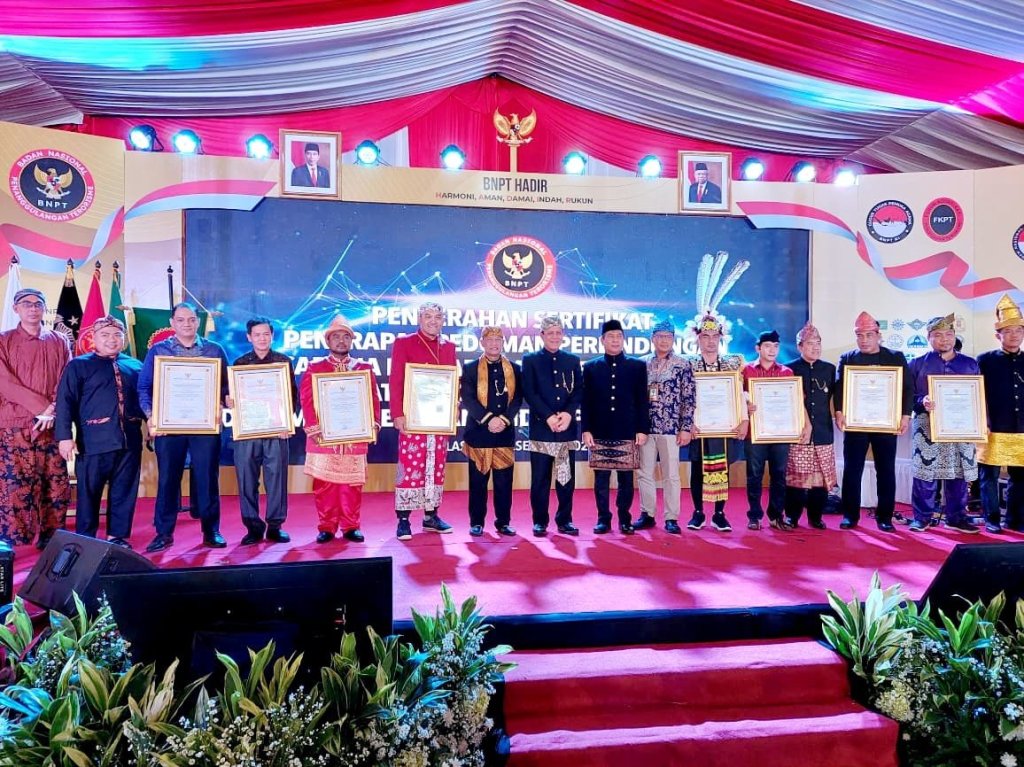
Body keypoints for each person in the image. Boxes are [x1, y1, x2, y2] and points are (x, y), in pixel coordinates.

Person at [138, 302, 230, 553]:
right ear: (172, 323)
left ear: (198, 322)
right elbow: (144, 387)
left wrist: (224, 402)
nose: (186, 324)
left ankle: (211, 531)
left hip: (205, 426)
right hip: (169, 426)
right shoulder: (159, 350)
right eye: (181, 320)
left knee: (207, 478)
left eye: (191, 319)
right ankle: (164, 533)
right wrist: (151, 416)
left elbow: (226, 386)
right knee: (168, 479)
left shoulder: (214, 350)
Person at [55, 316, 143, 547]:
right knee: (89, 493)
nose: (111, 339)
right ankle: (86, 539)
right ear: (94, 338)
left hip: (130, 440)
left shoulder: (135, 366)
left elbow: (147, 398)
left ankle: (117, 537)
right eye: (105, 335)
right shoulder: (78, 365)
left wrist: (155, 423)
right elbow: (65, 402)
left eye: (116, 335)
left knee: (124, 490)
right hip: (94, 441)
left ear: (123, 338)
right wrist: (64, 437)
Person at [0, 287, 71, 547]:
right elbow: (4, 381)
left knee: (54, 481)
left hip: (51, 424)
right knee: (14, 482)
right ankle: (14, 537)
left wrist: (52, 409)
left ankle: (52, 536)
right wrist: (41, 407)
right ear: (15, 309)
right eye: (26, 304)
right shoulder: (3, 340)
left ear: (44, 308)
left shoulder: (59, 340)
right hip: (15, 423)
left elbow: (66, 379)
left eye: (38, 303)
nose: (33, 308)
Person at [300, 315, 381, 543]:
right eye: (336, 336)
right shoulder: (315, 368)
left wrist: (373, 424)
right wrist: (314, 428)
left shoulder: (364, 369)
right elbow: (307, 400)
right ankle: (326, 526)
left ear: (352, 341)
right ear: (328, 341)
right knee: (324, 484)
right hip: (323, 436)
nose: (341, 341)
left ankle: (350, 526)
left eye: (346, 336)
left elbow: (373, 400)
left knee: (352, 485)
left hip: (354, 436)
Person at [833, 311, 912, 532]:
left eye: (869, 335)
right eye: (860, 336)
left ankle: (885, 517)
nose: (864, 340)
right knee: (852, 470)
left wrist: (905, 415)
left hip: (885, 422)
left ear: (878, 335)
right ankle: (850, 515)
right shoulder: (848, 358)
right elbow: (839, 388)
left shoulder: (895, 357)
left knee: (885, 470)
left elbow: (907, 388)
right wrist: (839, 411)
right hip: (856, 422)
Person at [389, 302, 457, 540]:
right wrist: (397, 413)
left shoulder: (449, 346)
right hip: (413, 416)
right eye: (428, 316)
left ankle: (431, 516)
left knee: (436, 466)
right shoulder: (404, 343)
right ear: (419, 319)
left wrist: (453, 409)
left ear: (443, 321)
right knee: (411, 466)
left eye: (438, 317)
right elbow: (396, 379)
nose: (433, 321)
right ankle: (403, 519)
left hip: (438, 418)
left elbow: (451, 382)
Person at [907, 314, 980, 534]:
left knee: (959, 472)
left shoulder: (970, 364)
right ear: (929, 338)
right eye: (938, 335)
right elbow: (907, 398)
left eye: (949, 334)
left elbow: (978, 397)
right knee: (925, 473)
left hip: (961, 425)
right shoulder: (916, 364)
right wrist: (922, 401)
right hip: (926, 424)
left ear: (955, 336)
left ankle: (956, 517)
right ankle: (922, 517)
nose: (944, 339)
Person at [231, 316, 298, 545]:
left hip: (276, 430)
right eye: (257, 335)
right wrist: (229, 400)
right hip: (247, 430)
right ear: (249, 337)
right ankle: (253, 527)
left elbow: (292, 396)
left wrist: (286, 422)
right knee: (246, 479)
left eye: (266, 334)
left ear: (272, 336)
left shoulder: (283, 362)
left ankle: (275, 526)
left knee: (277, 478)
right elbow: (228, 394)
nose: (262, 338)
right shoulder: (239, 364)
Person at [581, 319, 649, 534]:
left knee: (625, 479)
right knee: (601, 479)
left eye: (619, 336)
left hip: (627, 430)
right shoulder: (591, 367)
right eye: (610, 336)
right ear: (602, 340)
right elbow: (586, 401)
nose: (615, 340)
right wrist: (586, 429)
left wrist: (642, 429)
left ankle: (624, 518)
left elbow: (642, 400)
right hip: (599, 431)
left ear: (624, 339)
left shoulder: (637, 366)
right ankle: (603, 519)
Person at [685, 312, 747, 533]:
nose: (710, 341)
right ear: (698, 338)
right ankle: (698, 512)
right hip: (699, 426)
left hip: (724, 426)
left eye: (714, 336)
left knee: (723, 468)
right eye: (705, 336)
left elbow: (739, 394)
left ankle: (719, 514)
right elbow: (685, 397)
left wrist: (744, 420)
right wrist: (687, 423)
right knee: (697, 469)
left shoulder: (732, 364)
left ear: (721, 338)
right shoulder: (688, 364)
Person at [522, 316, 583, 537]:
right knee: (540, 479)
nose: (555, 337)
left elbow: (578, 390)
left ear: (563, 335)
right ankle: (540, 521)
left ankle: (565, 520)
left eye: (558, 332)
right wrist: (548, 416)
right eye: (550, 333)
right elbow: (529, 392)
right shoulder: (531, 360)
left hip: (566, 429)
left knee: (565, 478)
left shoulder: (572, 360)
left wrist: (568, 413)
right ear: (542, 335)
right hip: (542, 429)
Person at [460, 326, 523, 537]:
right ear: (482, 343)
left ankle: (503, 522)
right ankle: (476, 522)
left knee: (504, 483)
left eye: (498, 340)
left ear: (503, 343)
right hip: (478, 434)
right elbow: (468, 399)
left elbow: (517, 399)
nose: (494, 344)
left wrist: (503, 420)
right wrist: (489, 419)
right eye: (490, 340)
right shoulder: (470, 369)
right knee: (478, 482)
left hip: (504, 433)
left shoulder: (514, 369)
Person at [636, 319, 695, 534]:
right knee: (644, 473)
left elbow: (689, 398)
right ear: (652, 339)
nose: (664, 340)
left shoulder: (683, 364)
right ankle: (647, 514)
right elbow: (635, 398)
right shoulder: (641, 364)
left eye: (668, 337)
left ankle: (671, 517)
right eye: (660, 336)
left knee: (671, 475)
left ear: (674, 339)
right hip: (646, 428)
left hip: (671, 428)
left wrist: (686, 427)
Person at [783, 322, 838, 530]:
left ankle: (816, 517)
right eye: (810, 343)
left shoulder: (829, 369)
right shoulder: (789, 369)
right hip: (798, 433)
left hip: (823, 432)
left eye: (818, 343)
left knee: (821, 479)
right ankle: (792, 516)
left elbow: (837, 399)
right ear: (799, 346)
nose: (815, 347)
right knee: (796, 479)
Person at [978, 294, 1024, 533]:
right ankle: (992, 519)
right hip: (993, 427)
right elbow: (977, 395)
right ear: (998, 335)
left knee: (1021, 477)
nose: (1014, 335)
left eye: (1019, 330)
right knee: (989, 476)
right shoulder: (985, 360)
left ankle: (1015, 520)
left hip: (1022, 428)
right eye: (1008, 331)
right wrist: (982, 422)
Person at [742, 329, 794, 531]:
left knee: (779, 474)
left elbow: (793, 402)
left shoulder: (787, 373)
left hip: (780, 432)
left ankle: (776, 515)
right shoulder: (746, 371)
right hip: (755, 432)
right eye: (767, 346)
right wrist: (745, 407)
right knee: (754, 474)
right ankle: (754, 515)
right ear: (758, 348)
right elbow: (737, 398)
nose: (772, 350)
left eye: (776, 346)